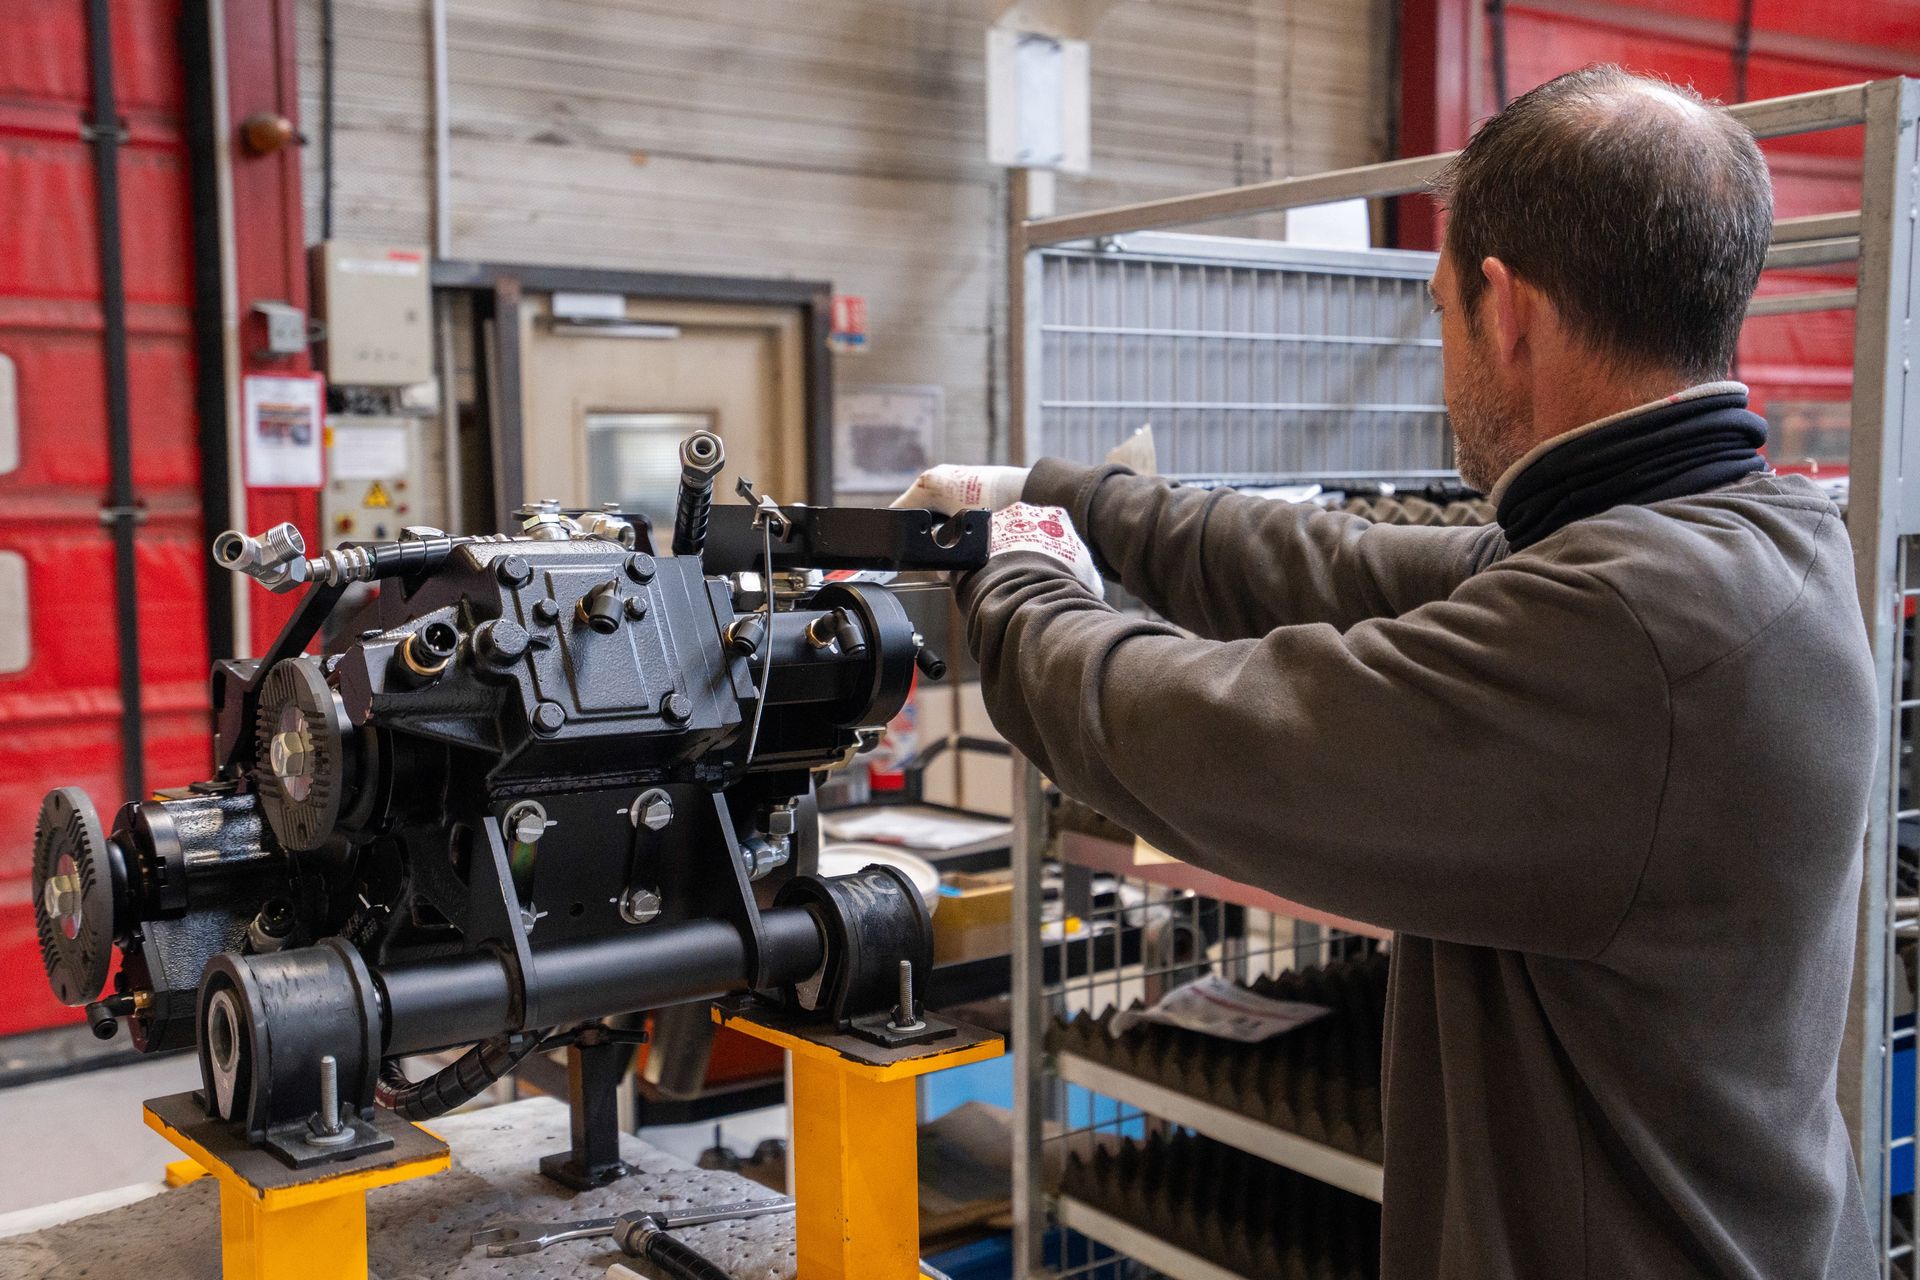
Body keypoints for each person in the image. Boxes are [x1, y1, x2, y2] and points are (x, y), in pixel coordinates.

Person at [896, 66, 1877, 1278]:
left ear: (1505, 312)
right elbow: (1342, 562)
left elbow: (1211, 735)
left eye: (1441, 313)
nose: (1445, 351)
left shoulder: (1634, 628)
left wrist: (1013, 574)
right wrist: (1064, 498)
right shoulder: (1741, 535)